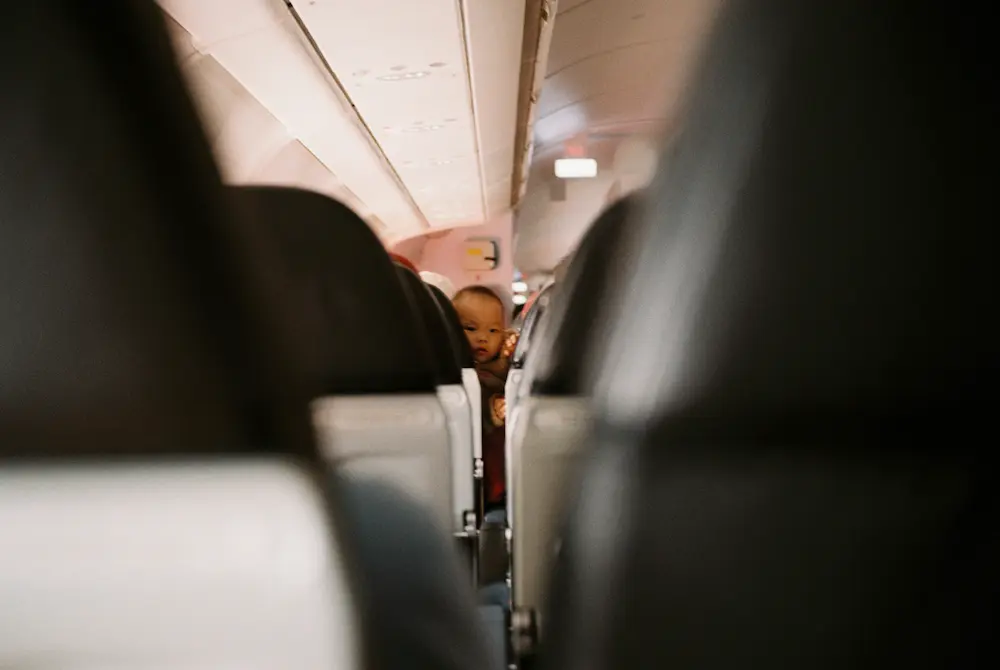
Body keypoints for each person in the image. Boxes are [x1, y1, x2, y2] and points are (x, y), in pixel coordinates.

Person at [452, 286, 516, 523]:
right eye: (471, 328)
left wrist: (511, 349)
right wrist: (492, 411)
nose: (483, 337)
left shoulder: (503, 364)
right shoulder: (455, 370)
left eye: (493, 330)